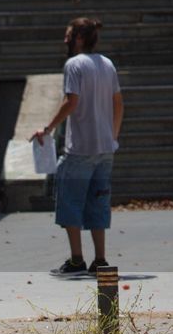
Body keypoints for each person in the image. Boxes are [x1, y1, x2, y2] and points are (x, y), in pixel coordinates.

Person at [29, 17, 124, 277]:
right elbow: (119, 104)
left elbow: (71, 102)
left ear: (79, 38)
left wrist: (47, 130)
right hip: (105, 150)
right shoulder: (107, 64)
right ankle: (101, 259)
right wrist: (112, 137)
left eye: (68, 35)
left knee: (70, 201)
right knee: (98, 202)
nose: (65, 39)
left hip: (80, 149)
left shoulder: (74, 65)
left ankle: (76, 259)